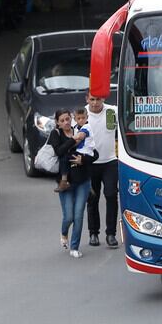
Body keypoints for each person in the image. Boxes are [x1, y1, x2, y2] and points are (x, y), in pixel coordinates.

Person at [47, 109, 95, 258]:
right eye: (62, 120)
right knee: (69, 216)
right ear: (57, 123)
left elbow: (95, 153)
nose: (66, 122)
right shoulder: (56, 134)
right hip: (65, 182)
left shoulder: (81, 129)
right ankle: (63, 233)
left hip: (83, 180)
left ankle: (75, 247)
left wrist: (83, 159)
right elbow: (59, 151)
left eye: (68, 119)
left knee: (79, 214)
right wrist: (74, 140)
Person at [86, 94, 119, 248]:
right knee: (92, 198)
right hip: (90, 163)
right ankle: (93, 233)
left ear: (103, 99)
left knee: (111, 195)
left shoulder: (112, 112)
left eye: (98, 99)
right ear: (87, 99)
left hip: (110, 161)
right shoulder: (82, 114)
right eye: (92, 99)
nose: (95, 103)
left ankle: (111, 234)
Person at [56, 107, 96, 193]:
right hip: (82, 151)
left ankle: (64, 181)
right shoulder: (77, 127)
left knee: (65, 158)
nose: (81, 120)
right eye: (79, 118)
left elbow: (79, 137)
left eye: (83, 118)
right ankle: (89, 187)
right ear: (75, 119)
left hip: (86, 151)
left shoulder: (86, 127)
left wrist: (70, 143)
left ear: (87, 117)